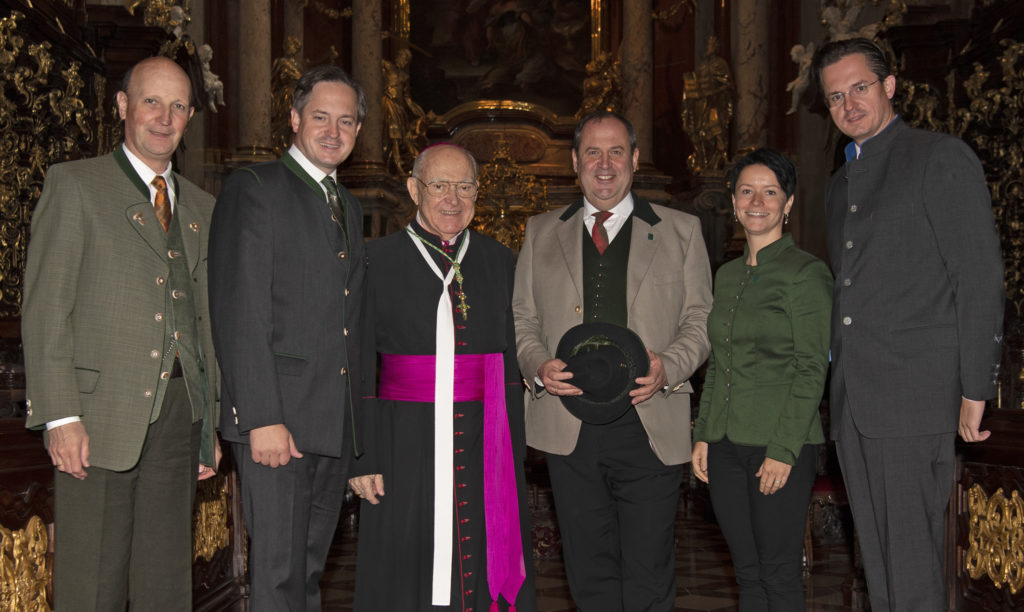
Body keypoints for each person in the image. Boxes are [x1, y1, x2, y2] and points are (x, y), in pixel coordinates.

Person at [22, 56, 219, 611]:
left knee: (165, 583)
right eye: (151, 101)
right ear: (123, 106)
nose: (164, 117)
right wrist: (61, 416)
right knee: (93, 584)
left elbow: (204, 324)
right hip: (97, 416)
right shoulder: (76, 184)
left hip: (181, 413)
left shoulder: (202, 207)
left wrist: (208, 425)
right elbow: (45, 310)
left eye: (178, 106)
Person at [814, 38, 1004, 610]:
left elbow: (979, 276)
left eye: (860, 88)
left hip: (912, 395)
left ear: (890, 85)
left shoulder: (937, 156)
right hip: (854, 402)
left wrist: (974, 388)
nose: (848, 105)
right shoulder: (840, 182)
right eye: (835, 97)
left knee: (914, 567)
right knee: (879, 565)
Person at [513, 111, 713, 611]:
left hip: (649, 422)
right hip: (567, 425)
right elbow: (522, 319)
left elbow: (700, 320)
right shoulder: (540, 232)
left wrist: (669, 365)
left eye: (616, 151)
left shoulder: (682, 230)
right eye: (593, 153)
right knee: (588, 567)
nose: (605, 165)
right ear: (575, 162)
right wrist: (537, 364)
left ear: (635, 159)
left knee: (648, 569)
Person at [349, 144, 535, 611]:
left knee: (487, 544)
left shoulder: (500, 260)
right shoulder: (375, 259)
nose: (452, 199)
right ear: (414, 189)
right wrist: (363, 455)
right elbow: (356, 362)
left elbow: (515, 357)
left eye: (465, 187)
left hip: (485, 437)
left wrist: (513, 446)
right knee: (405, 558)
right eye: (439, 185)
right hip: (401, 442)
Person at [208, 64, 366, 611]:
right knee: (276, 578)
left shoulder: (346, 205)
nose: (333, 131)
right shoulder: (254, 189)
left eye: (346, 121)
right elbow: (239, 309)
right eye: (320, 117)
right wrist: (259, 417)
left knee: (306, 576)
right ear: (295, 118)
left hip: (328, 423)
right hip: (277, 423)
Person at [691, 148, 832, 611]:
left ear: (788, 203)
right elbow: (719, 363)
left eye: (769, 192)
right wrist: (704, 435)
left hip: (781, 445)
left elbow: (813, 368)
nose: (757, 201)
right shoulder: (727, 276)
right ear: (733, 203)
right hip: (726, 446)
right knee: (747, 574)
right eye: (746, 191)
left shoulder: (807, 273)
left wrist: (783, 450)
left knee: (779, 573)